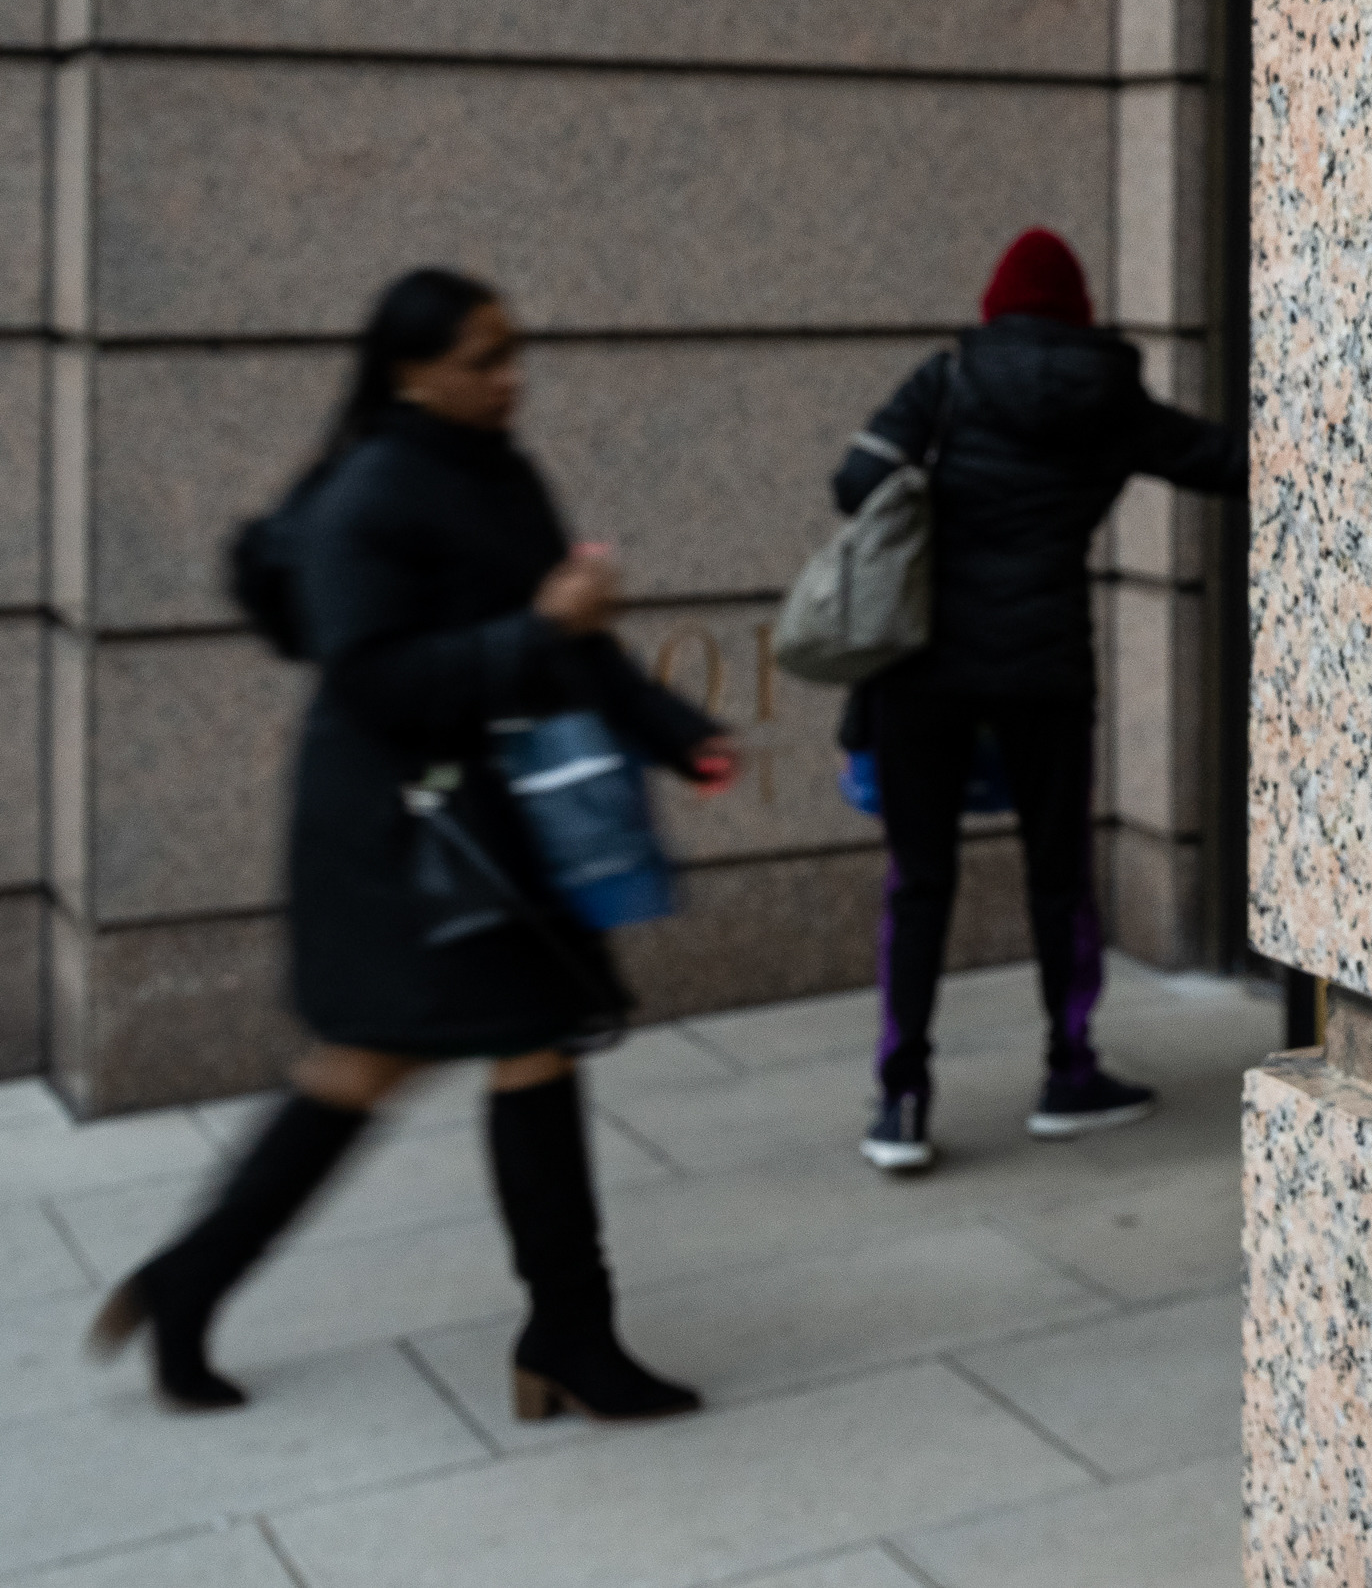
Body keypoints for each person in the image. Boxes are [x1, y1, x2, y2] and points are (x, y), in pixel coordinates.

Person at [91, 269, 734, 1417]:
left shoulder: (498, 466)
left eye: (514, 350)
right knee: (414, 1055)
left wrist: (677, 732)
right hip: (402, 835)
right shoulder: (371, 491)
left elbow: (569, 638)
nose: (511, 376)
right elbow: (374, 676)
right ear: (412, 372)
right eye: (484, 359)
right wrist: (541, 624)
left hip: (483, 818)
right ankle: (559, 1334)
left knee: (466, 1050)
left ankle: (210, 1282)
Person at [841, 227, 1236, 1172]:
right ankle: (1069, 1072)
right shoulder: (1110, 400)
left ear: (994, 307)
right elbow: (1221, 462)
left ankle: (902, 1099)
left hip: (923, 669)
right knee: (1058, 879)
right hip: (1044, 671)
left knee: (920, 883)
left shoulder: (946, 381)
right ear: (1079, 312)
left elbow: (854, 483)